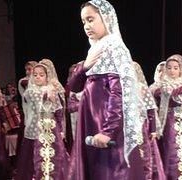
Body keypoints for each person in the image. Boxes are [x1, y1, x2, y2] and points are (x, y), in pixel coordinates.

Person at [67, 0, 145, 179]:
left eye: (91, 19)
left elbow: (119, 93)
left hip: (106, 123)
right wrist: (85, 66)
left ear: (106, 17)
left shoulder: (114, 46)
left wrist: (108, 131)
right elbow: (74, 87)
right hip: (92, 121)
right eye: (84, 22)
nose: (86, 26)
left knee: (110, 172)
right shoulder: (95, 48)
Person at [16, 63, 66, 180]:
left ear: (47, 77)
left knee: (54, 157)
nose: (38, 77)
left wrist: (61, 129)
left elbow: (58, 111)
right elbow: (36, 98)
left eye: (41, 75)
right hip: (34, 130)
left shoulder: (52, 90)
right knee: (34, 159)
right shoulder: (30, 91)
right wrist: (47, 94)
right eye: (35, 75)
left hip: (51, 129)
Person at [152, 54, 182, 180]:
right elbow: (170, 96)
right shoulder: (161, 85)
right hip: (169, 122)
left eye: (176, 68)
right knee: (172, 151)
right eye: (169, 68)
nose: (172, 71)